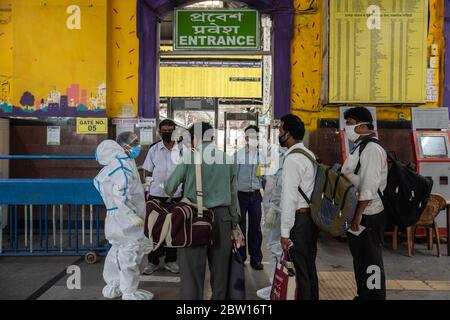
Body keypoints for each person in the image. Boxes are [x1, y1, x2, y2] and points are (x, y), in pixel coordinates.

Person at [164, 122, 240, 300]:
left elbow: (169, 187)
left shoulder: (189, 158)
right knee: (221, 273)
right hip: (223, 220)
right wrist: (234, 222)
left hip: (194, 219)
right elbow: (233, 195)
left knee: (191, 275)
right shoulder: (227, 159)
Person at [93, 133, 153, 300]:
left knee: (117, 249)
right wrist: (131, 216)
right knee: (131, 251)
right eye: (134, 143)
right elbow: (120, 193)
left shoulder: (113, 165)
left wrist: (142, 186)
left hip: (113, 216)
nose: (138, 146)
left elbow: (122, 189)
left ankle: (114, 285)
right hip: (126, 216)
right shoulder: (122, 164)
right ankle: (129, 291)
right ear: (123, 146)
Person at [341, 106, 387, 300]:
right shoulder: (361, 146)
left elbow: (369, 186)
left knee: (370, 261)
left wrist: (359, 214)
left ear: (362, 126)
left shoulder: (372, 149)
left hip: (369, 214)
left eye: (350, 124)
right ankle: (364, 295)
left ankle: (373, 297)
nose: (347, 128)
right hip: (359, 213)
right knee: (360, 259)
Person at [279, 114, 319, 300]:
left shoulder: (292, 160)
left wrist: (285, 232)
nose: (279, 134)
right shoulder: (309, 154)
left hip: (299, 221)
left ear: (289, 134)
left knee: (300, 270)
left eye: (281, 130)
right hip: (311, 219)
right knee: (309, 267)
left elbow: (289, 198)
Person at [142, 119, 182, 275]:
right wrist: (148, 189)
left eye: (170, 130)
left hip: (176, 196)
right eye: (164, 130)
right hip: (156, 196)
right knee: (153, 229)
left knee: (173, 230)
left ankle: (171, 261)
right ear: (159, 132)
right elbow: (148, 172)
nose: (167, 133)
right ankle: (152, 261)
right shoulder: (153, 150)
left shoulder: (182, 150)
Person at [256, 144, 287, 300]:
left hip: (276, 211)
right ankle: (275, 284)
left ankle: (276, 287)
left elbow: (279, 188)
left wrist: (272, 209)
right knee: (273, 246)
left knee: (276, 248)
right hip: (270, 209)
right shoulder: (276, 157)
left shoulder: (284, 158)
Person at [235, 125, 265, 270]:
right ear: (246, 138)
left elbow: (265, 177)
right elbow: (233, 177)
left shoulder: (262, 156)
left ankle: (256, 258)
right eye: (251, 137)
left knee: (255, 228)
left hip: (255, 195)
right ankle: (240, 257)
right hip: (240, 196)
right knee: (240, 227)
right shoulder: (238, 155)